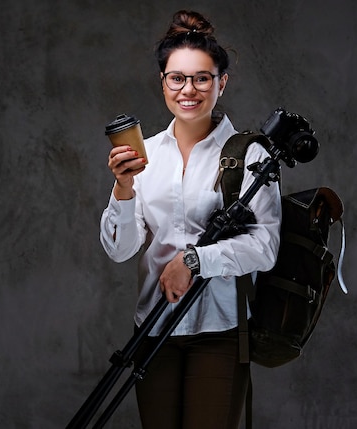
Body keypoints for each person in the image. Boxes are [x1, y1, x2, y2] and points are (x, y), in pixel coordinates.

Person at [100, 10, 281, 429]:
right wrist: (123, 190)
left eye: (202, 78)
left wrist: (194, 260)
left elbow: (265, 247)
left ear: (222, 82)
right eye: (176, 78)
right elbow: (121, 250)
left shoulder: (251, 154)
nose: (189, 89)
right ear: (162, 82)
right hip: (152, 327)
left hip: (219, 329)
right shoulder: (146, 153)